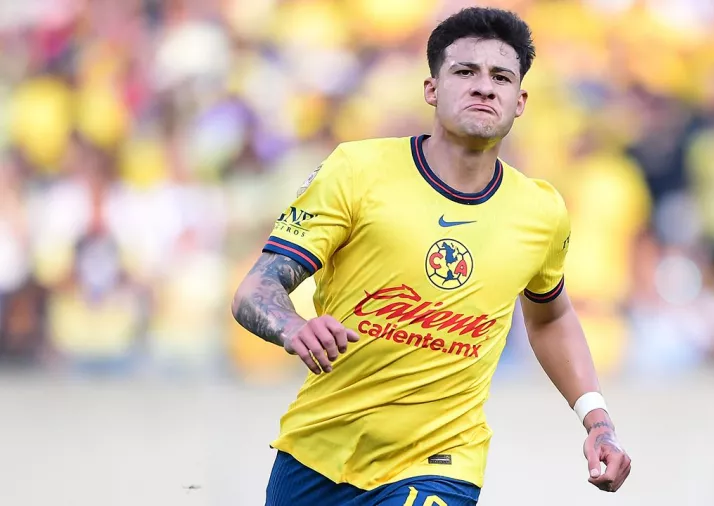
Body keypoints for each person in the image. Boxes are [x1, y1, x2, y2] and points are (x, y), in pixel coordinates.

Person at [232, 7, 632, 505]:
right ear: (432, 89)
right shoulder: (357, 171)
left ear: (520, 100)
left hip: (442, 462)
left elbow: (550, 318)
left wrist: (597, 419)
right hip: (316, 455)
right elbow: (256, 288)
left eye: (501, 77)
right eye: (465, 71)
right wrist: (292, 327)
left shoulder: (541, 211)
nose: (484, 87)